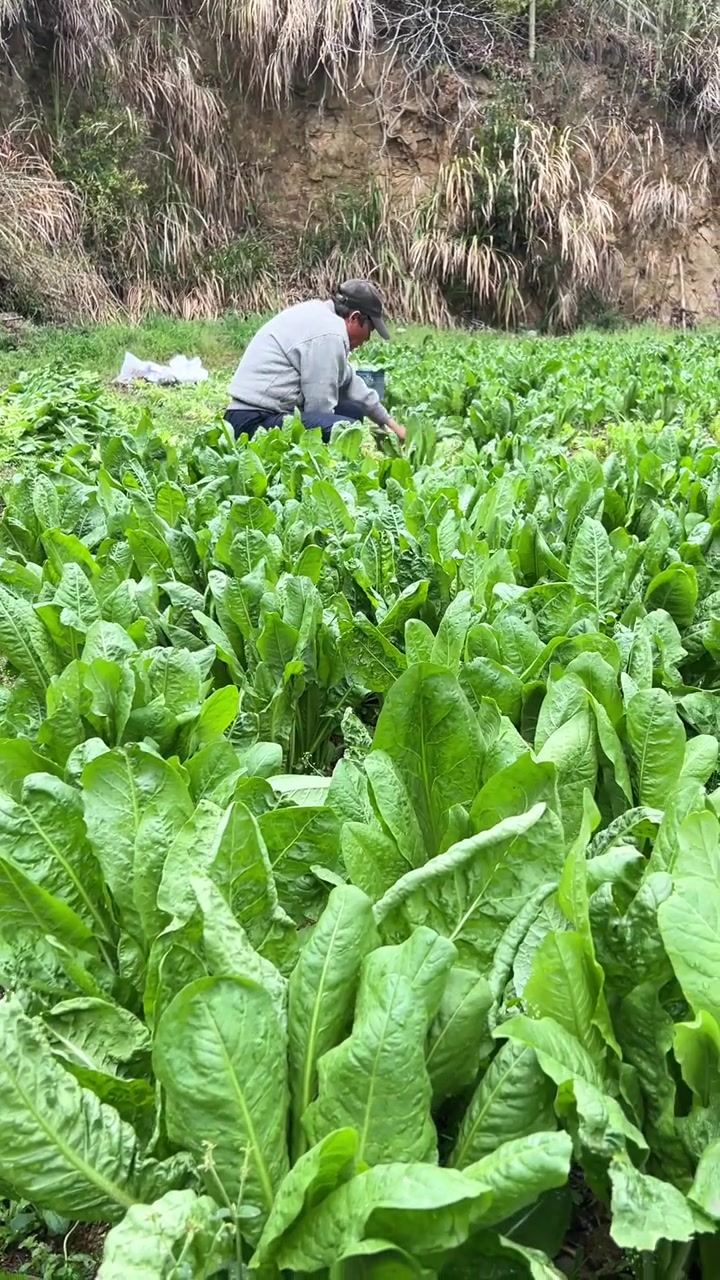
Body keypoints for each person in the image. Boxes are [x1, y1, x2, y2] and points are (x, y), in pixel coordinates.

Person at [225, 280, 406, 444]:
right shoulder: (329, 333)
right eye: (370, 330)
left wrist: (392, 426)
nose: (367, 339)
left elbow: (350, 383)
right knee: (344, 429)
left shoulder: (323, 318)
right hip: (251, 422)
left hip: (263, 414)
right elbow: (320, 405)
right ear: (355, 318)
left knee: (353, 411)